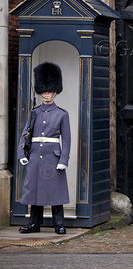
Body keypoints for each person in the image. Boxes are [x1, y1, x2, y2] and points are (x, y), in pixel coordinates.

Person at [17, 62, 71, 235]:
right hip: (34, 155)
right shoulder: (35, 112)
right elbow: (26, 133)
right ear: (41, 92)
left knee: (56, 192)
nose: (47, 95)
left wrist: (63, 160)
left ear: (55, 92)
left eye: (49, 92)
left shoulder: (62, 114)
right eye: (44, 92)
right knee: (34, 190)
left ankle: (59, 223)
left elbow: (67, 139)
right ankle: (34, 223)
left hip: (52, 156)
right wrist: (21, 153)